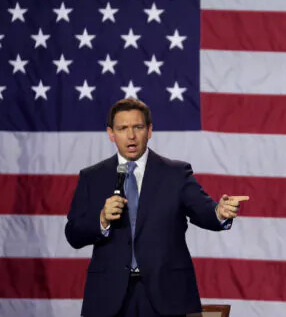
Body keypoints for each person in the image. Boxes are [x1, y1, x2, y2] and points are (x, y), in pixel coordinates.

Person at [65, 98, 248, 317]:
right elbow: (73, 234)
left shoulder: (175, 173)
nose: (131, 135)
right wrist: (102, 219)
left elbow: (205, 211)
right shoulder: (92, 177)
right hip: (109, 297)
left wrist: (219, 212)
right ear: (111, 133)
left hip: (167, 295)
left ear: (149, 131)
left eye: (138, 127)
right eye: (123, 128)